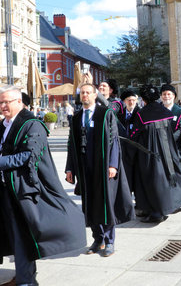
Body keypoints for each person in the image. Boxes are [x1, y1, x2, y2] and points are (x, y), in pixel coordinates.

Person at [0, 85, 86, 286]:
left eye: (7, 102)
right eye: (1, 102)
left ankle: (26, 281)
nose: (3, 106)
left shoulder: (32, 124)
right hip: (5, 188)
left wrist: (0, 163)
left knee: (23, 236)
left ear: (19, 102)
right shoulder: (3, 124)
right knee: (14, 236)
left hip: (25, 190)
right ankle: (24, 276)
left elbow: (29, 155)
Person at [66, 83, 134, 257]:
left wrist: (113, 165)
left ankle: (110, 241)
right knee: (89, 204)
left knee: (106, 203)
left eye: (88, 93)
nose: (85, 96)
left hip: (103, 166)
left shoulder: (106, 114)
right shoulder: (76, 117)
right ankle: (98, 239)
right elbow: (71, 145)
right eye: (83, 93)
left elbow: (114, 141)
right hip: (84, 166)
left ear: (95, 95)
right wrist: (70, 168)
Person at [130, 85, 181, 223]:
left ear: (143, 99)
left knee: (153, 180)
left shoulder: (141, 114)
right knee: (168, 176)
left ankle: (156, 212)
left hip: (150, 153)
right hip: (168, 151)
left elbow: (134, 135)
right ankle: (171, 206)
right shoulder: (164, 111)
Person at [117, 90, 140, 191]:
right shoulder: (119, 115)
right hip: (123, 148)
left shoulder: (140, 114)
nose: (131, 102)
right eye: (129, 100)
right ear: (124, 102)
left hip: (136, 149)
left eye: (133, 100)